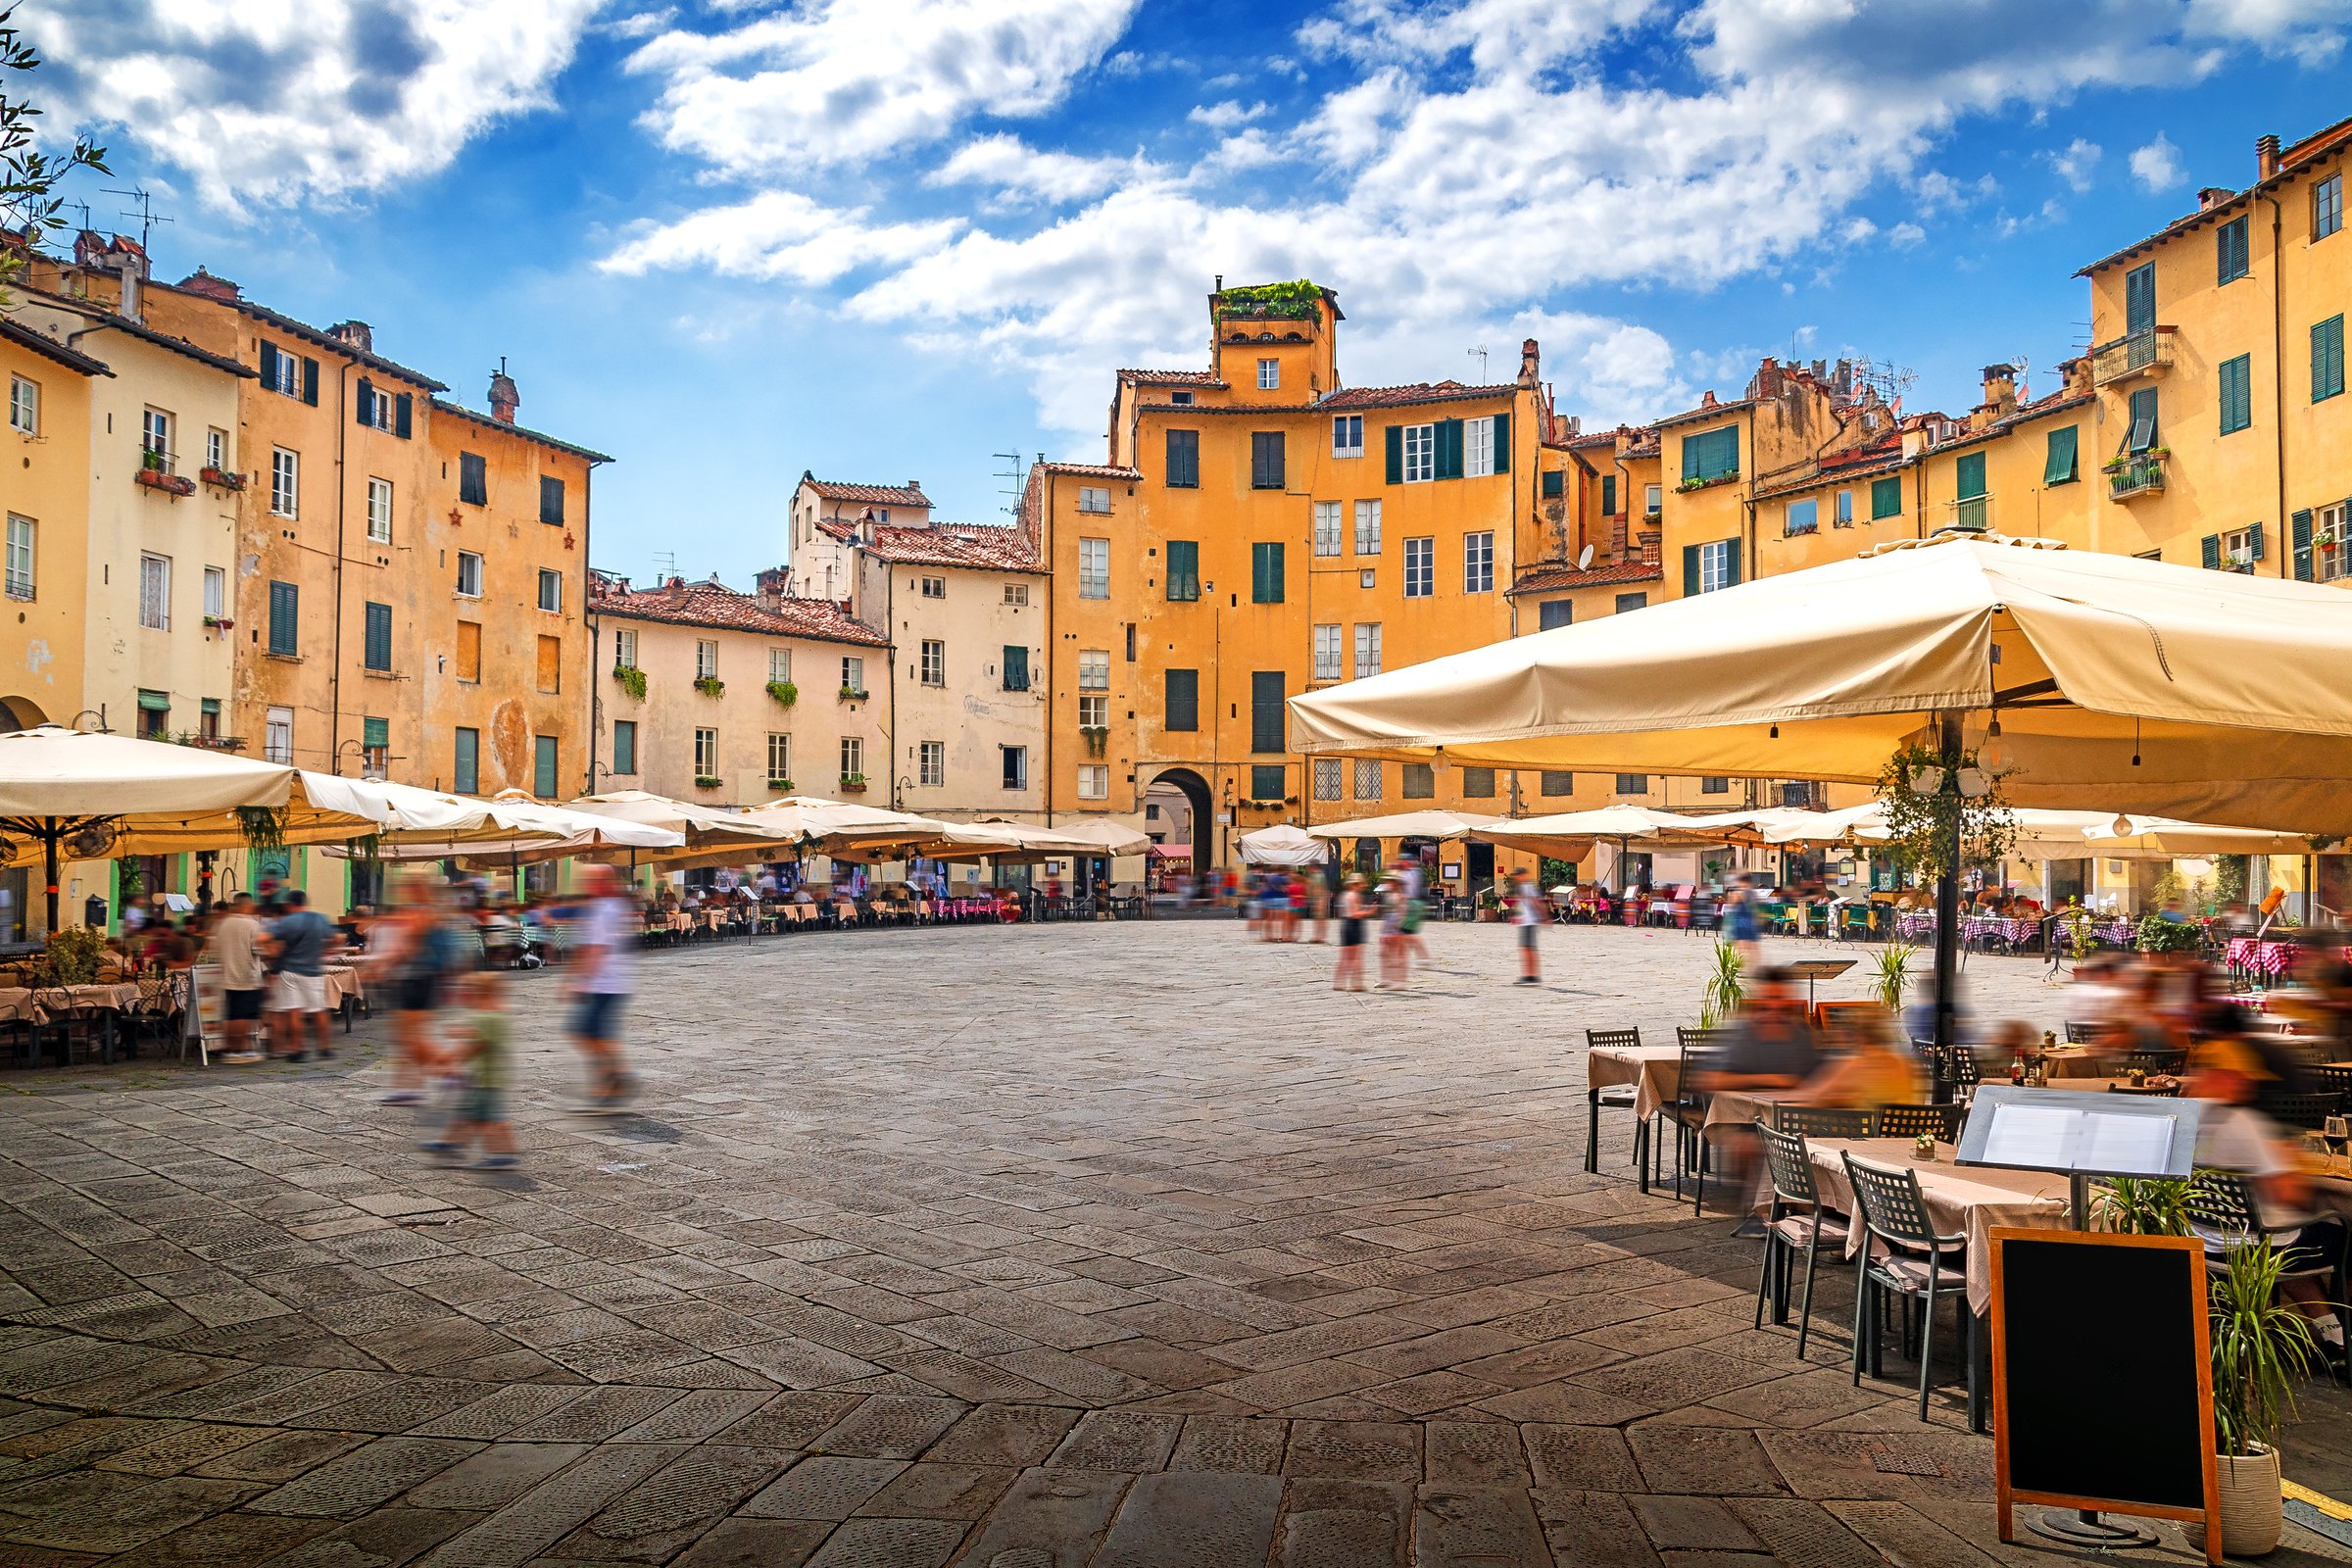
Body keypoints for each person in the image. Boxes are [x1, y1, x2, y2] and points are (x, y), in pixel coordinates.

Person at [421, 969, 517, 1170]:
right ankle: (452, 1142)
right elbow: (479, 1036)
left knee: (487, 1119)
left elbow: (473, 1047)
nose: (461, 994)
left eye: (465, 990)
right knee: (471, 1112)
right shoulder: (494, 1014)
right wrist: (461, 1032)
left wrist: (446, 1061)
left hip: (485, 1079)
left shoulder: (486, 1018)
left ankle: (500, 1154)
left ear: (480, 993)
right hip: (486, 1077)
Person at [568, 863, 639, 1107]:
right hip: (612, 981)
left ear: (603, 882)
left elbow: (597, 948)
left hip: (604, 982)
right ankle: (612, 1078)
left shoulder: (604, 909)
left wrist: (580, 981)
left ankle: (614, 1076)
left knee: (583, 1033)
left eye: (591, 880)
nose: (586, 885)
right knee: (596, 1034)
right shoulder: (614, 906)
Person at [264, 890, 335, 1063]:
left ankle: (298, 1049)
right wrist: (323, 950)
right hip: (313, 971)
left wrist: (272, 953)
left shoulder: (288, 921)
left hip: (290, 970)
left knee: (294, 1011)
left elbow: (262, 937)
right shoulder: (320, 919)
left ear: (290, 904)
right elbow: (337, 938)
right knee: (319, 1010)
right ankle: (325, 1047)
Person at [207, 893, 267, 1063]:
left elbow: (214, 948)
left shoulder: (222, 924)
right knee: (243, 1016)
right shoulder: (252, 925)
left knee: (231, 1015)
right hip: (246, 976)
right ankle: (240, 1050)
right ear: (247, 905)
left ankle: (230, 1048)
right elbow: (259, 950)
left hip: (227, 976)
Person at [1333, 874, 1369, 992]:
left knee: (1344, 956)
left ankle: (1338, 982)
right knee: (1356, 957)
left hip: (1345, 924)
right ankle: (1356, 983)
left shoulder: (1344, 895)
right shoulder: (1356, 896)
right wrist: (1369, 912)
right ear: (1357, 884)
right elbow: (1355, 913)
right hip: (1354, 925)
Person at [1511, 869, 1544, 986]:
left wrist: (1543, 916)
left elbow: (1535, 902)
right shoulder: (1522, 888)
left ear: (1522, 876)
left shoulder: (1527, 887)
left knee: (1528, 948)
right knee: (1526, 948)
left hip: (1529, 921)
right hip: (1525, 921)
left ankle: (1531, 974)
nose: (1516, 878)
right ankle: (1530, 974)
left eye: (1517, 876)